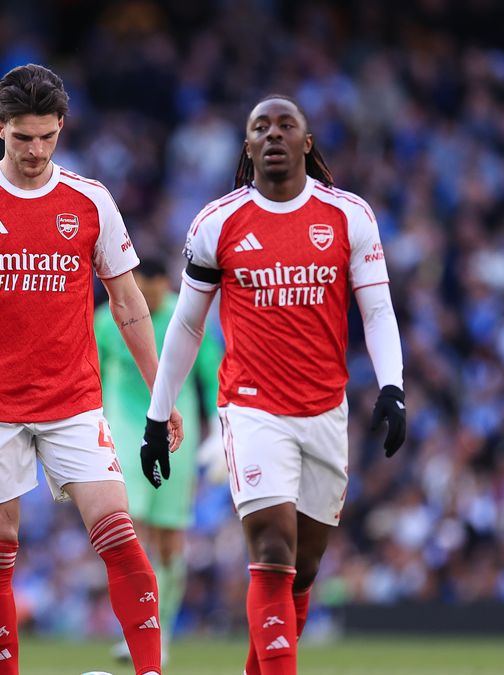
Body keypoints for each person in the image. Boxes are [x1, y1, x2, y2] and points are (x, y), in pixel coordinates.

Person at [0, 64, 183, 675]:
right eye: (23, 137)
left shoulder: (91, 201)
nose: (35, 150)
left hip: (72, 400)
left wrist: (161, 391)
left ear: (61, 128)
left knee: (120, 535)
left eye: (47, 136)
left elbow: (129, 304)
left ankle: (151, 672)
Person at [141, 95, 406, 675]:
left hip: (325, 411)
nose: (274, 134)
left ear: (307, 142)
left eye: (287, 125)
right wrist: (158, 415)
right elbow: (187, 325)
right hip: (252, 409)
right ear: (248, 145)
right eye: (261, 127)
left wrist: (393, 386)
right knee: (272, 548)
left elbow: (378, 310)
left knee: (303, 570)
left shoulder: (348, 216)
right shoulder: (218, 223)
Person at [95, 257, 221, 666]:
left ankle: (161, 629)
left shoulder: (185, 318)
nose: (148, 300)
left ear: (166, 285)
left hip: (175, 432)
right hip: (124, 429)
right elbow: (89, 373)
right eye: (141, 292)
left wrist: (220, 428)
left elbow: (213, 375)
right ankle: (137, 626)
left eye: (155, 292)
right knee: (131, 527)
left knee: (169, 539)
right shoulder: (106, 320)